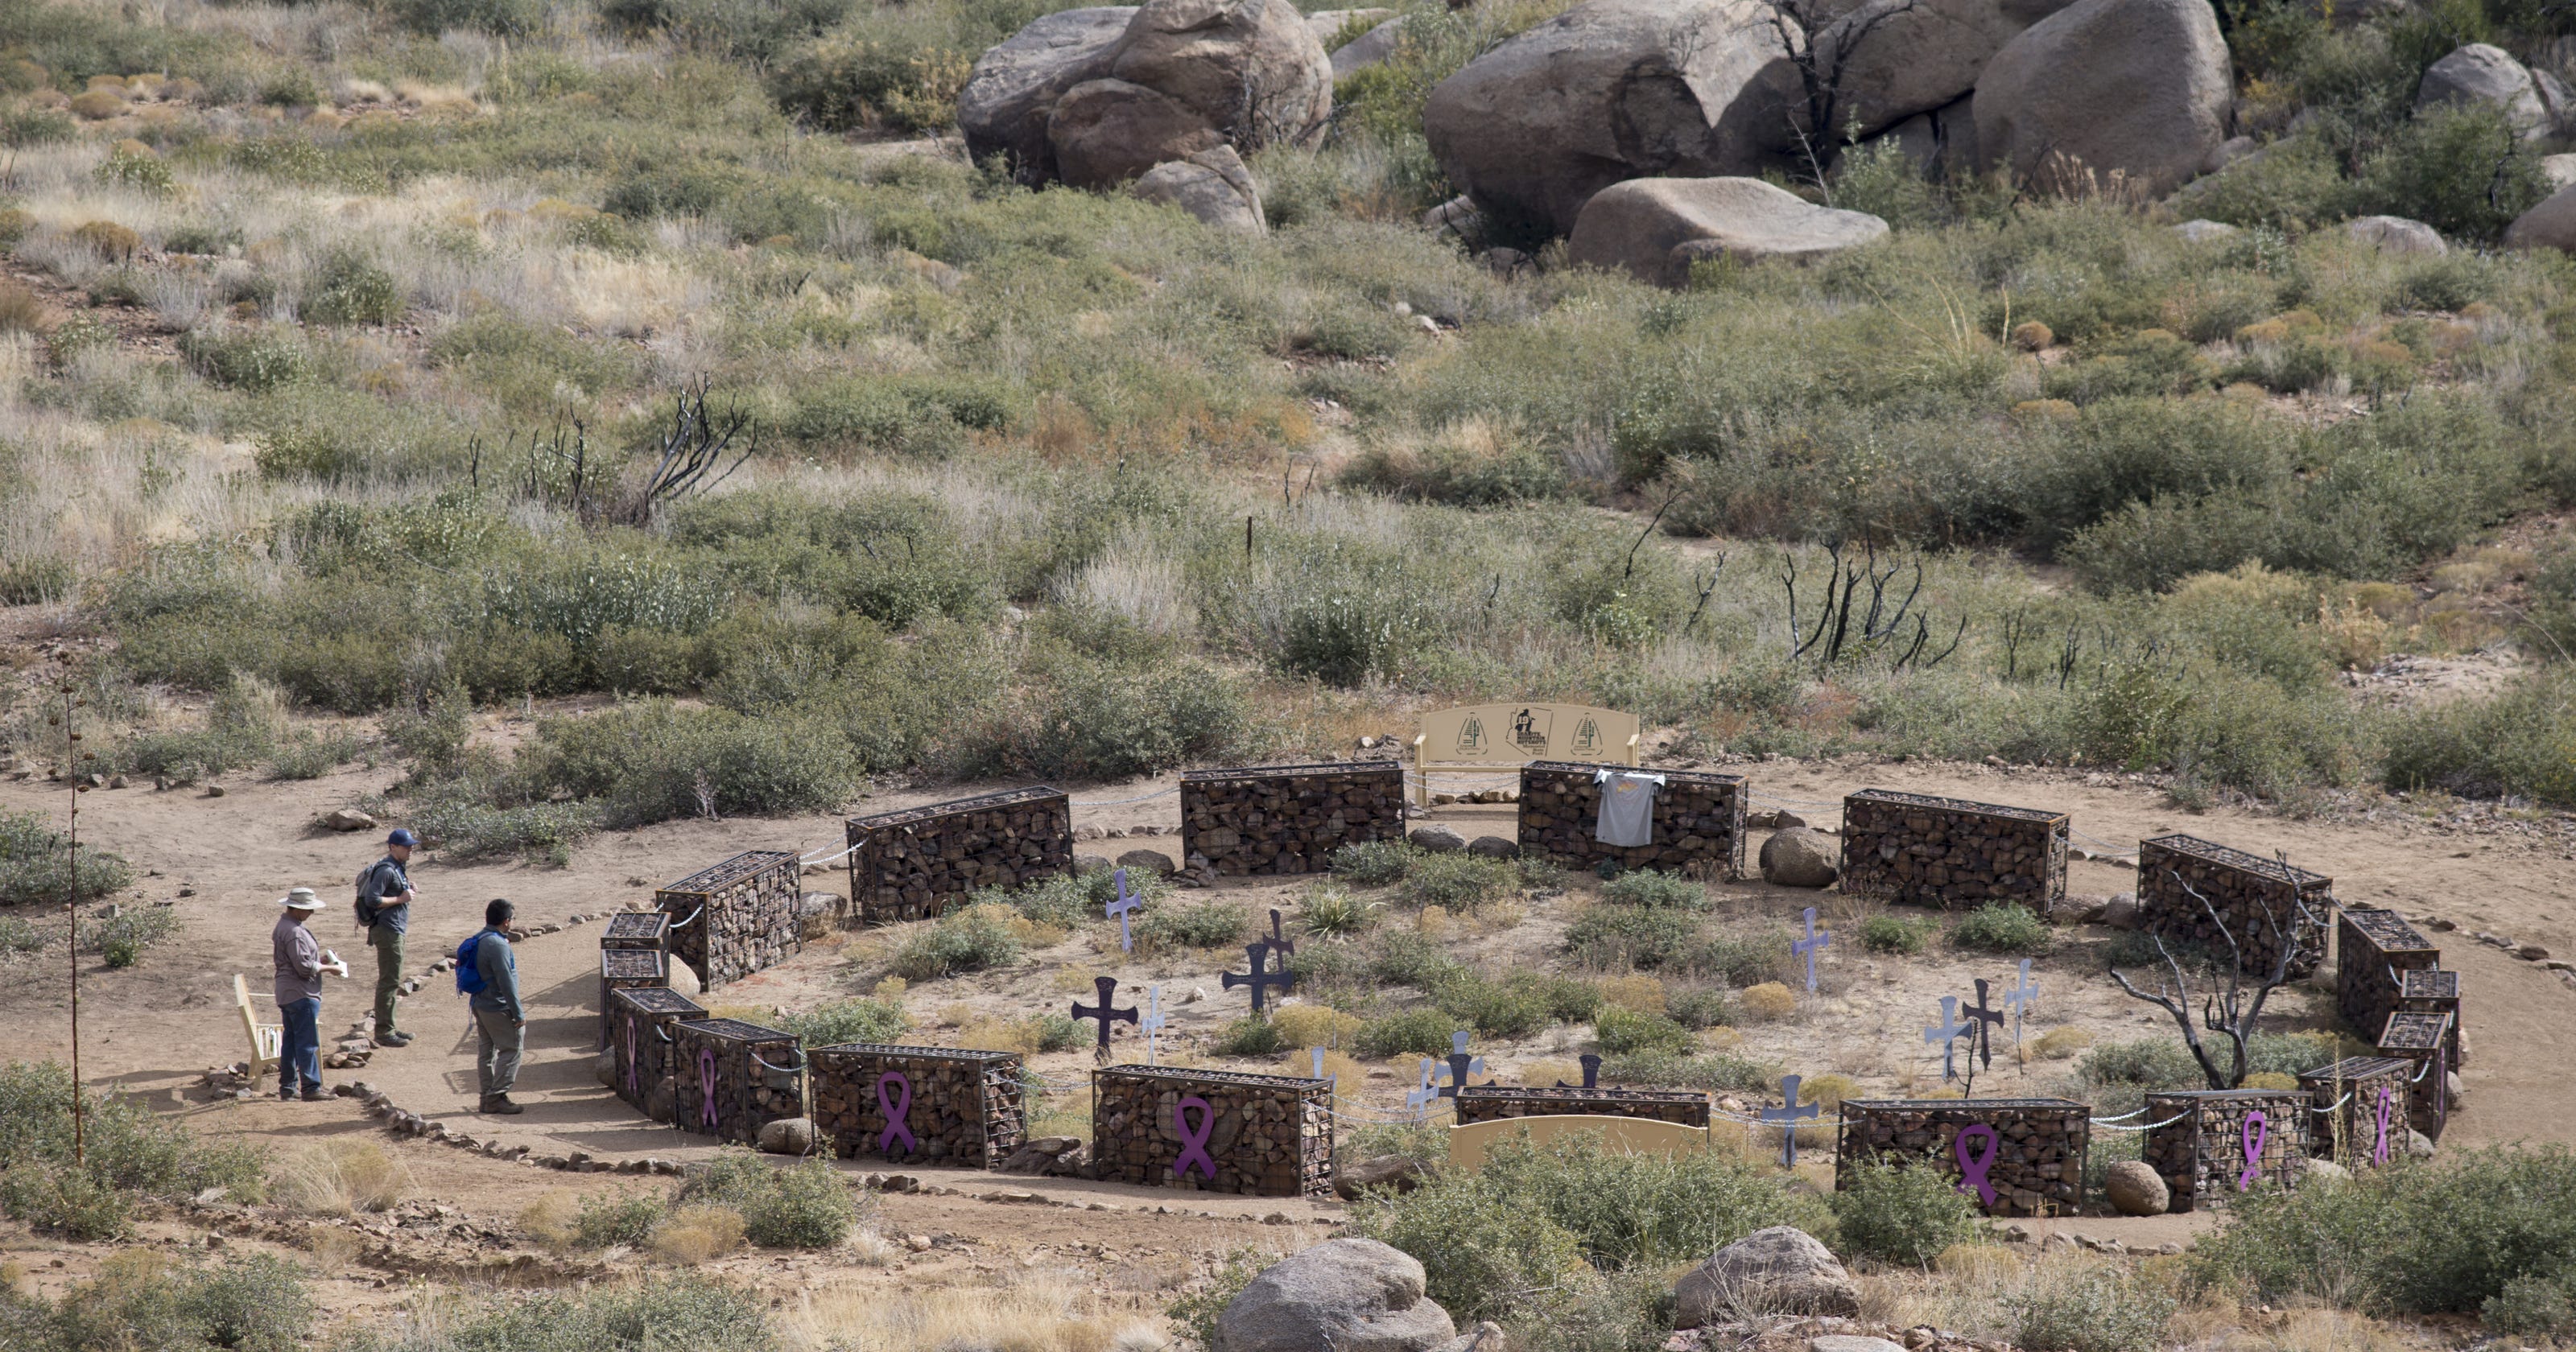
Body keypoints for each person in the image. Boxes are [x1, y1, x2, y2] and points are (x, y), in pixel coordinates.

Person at [272, 887, 347, 1101]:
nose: (311, 913)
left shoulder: (285, 926)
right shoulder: (295, 932)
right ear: (297, 909)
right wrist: (331, 968)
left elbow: (298, 961)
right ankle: (311, 1087)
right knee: (307, 1041)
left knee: (291, 1041)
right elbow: (304, 968)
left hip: (287, 991)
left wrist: (320, 961)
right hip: (301, 992)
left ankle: (288, 1087)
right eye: (309, 909)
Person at [354, 829, 420, 1048]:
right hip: (387, 930)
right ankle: (384, 1031)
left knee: (392, 979)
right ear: (393, 847)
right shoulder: (387, 870)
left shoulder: (396, 868)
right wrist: (400, 898)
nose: (411, 849)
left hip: (392, 929)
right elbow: (373, 900)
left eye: (411, 845)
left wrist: (406, 888)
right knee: (389, 980)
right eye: (406, 846)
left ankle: (388, 1025)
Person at [461, 898, 526, 1115]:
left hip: (480, 1003)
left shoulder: (481, 938)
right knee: (512, 1049)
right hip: (496, 1007)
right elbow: (506, 981)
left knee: (487, 1052)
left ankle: (486, 1097)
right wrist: (517, 1013)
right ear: (506, 922)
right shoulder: (497, 945)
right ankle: (496, 1096)